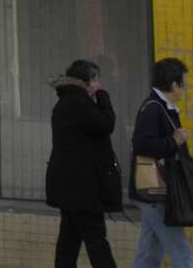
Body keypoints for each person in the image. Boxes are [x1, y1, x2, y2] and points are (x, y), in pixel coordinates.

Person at [46, 58, 122, 268]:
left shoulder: (66, 102)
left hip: (70, 186)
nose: (99, 85)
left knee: (69, 239)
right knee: (96, 238)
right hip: (83, 188)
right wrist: (103, 98)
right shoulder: (78, 103)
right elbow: (106, 124)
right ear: (85, 81)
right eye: (96, 80)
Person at [130, 57, 193, 268]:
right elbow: (141, 145)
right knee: (180, 250)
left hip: (153, 190)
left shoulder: (161, 107)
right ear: (174, 85)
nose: (184, 88)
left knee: (149, 251)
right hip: (156, 190)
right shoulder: (153, 108)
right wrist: (173, 141)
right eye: (183, 83)